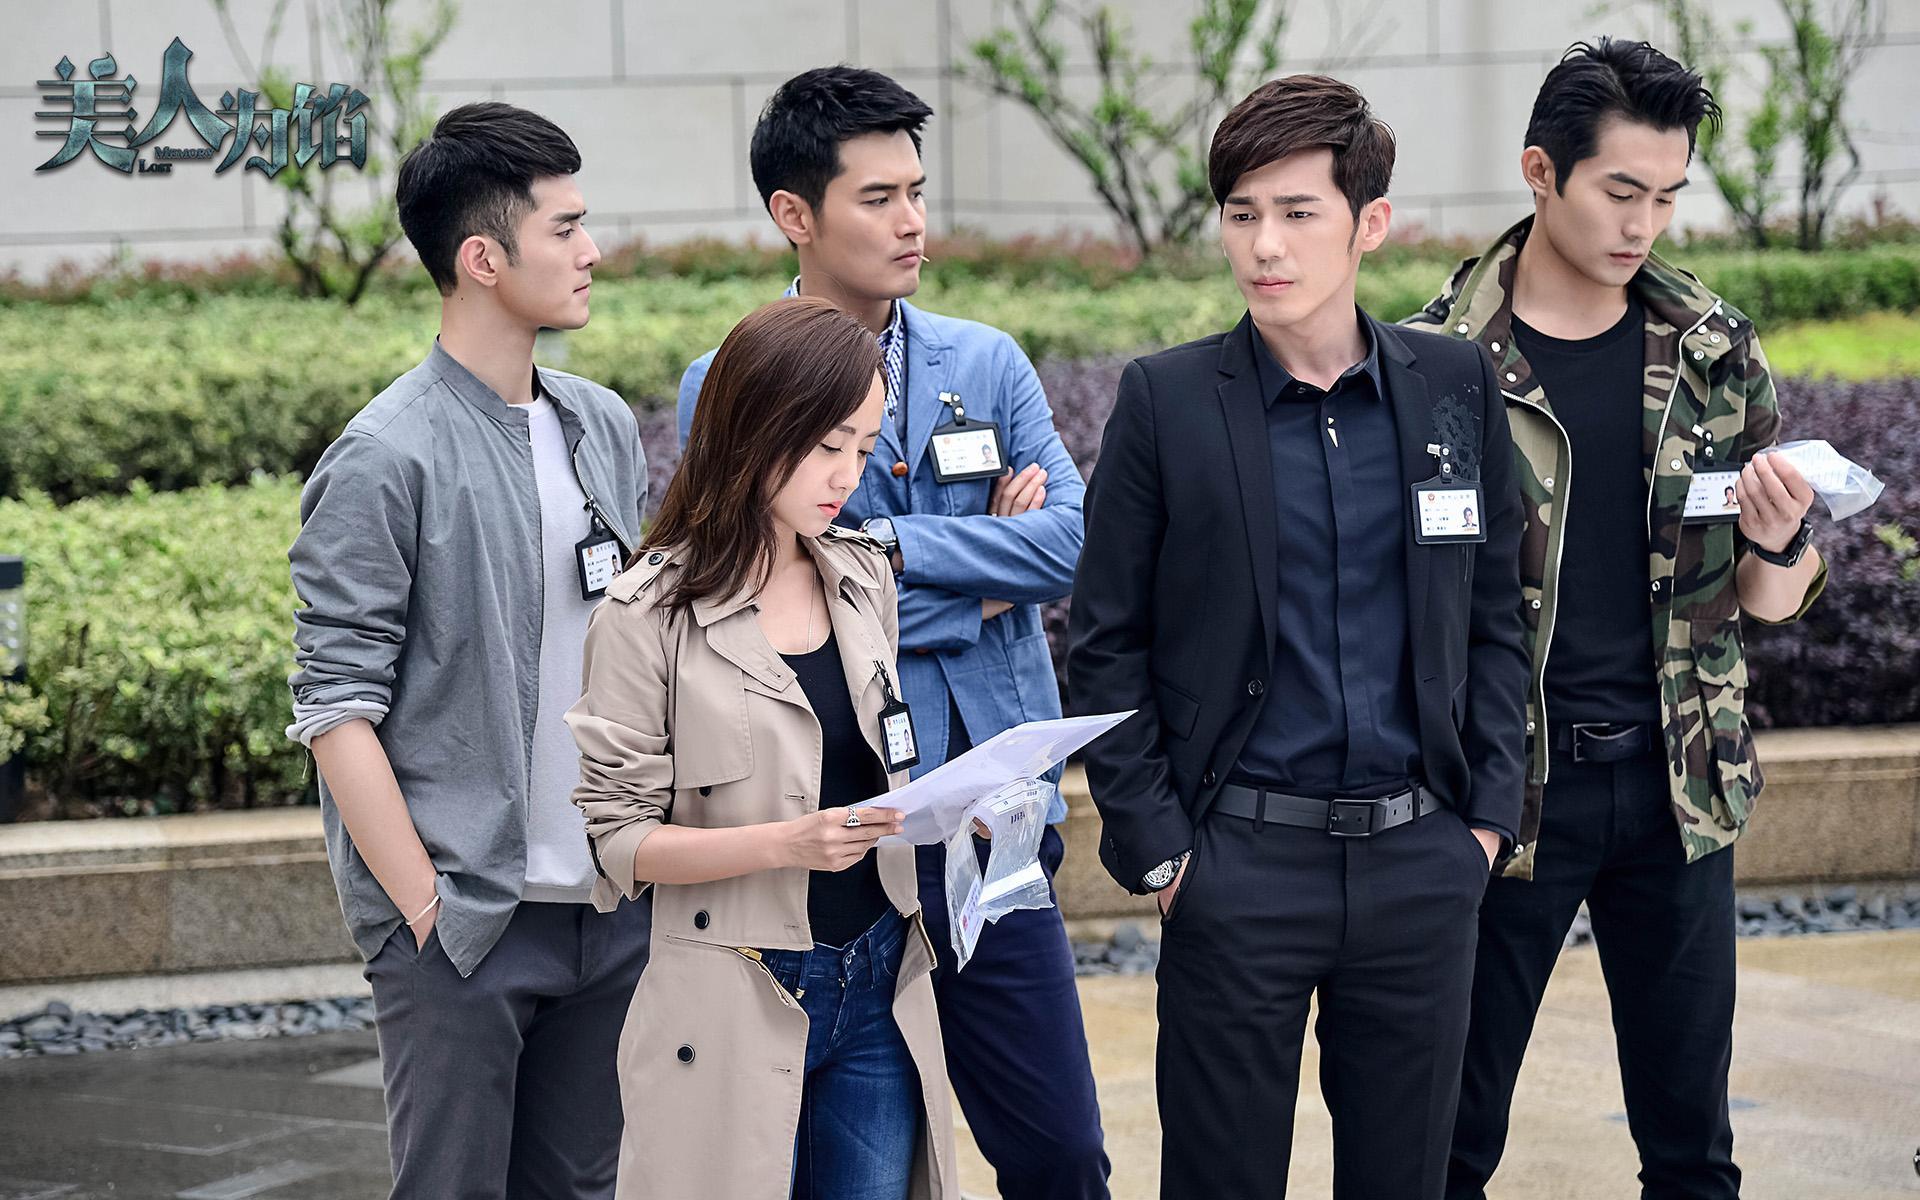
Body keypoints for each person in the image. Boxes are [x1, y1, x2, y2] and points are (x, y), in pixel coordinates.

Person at [1068, 74, 1530, 1200]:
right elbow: (1105, 642)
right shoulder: (1168, 401)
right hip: (1237, 866)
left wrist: (1484, 825)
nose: (1263, 245)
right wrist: (1167, 855)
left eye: (1296, 212)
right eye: (1241, 213)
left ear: (1371, 223)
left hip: (1421, 862)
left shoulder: (1455, 383)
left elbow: (1493, 618)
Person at [677, 66, 1109, 1199]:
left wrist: (889, 548)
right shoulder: (731, 382)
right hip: (837, 837)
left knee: (1062, 1153)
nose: (913, 220)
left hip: (991, 822)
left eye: (916, 191)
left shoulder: (987, 361)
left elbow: (1074, 544)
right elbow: (765, 596)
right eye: (878, 198)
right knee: (847, 1168)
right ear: (795, 213)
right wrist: (986, 575)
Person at [1407, 38, 1826, 1200]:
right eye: (1621, 191)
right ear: (1540, 172)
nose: (1645, 224)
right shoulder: (1435, 359)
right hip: (1503, 797)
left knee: (1692, 1151)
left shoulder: (1711, 350)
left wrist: (1779, 540)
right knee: (1444, 1144)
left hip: (1676, 792)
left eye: (1668, 197)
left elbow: (1768, 601)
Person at [286, 102, 650, 1199]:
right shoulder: (383, 456)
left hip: (603, 906)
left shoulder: (600, 423)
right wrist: (426, 909)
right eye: (565, 229)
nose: (592, 251)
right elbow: (335, 708)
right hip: (466, 923)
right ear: (484, 259)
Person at [569, 296, 960, 1200]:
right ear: (757, 427)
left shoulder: (861, 576)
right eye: (827, 446)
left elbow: (877, 759)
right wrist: (786, 843)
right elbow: (620, 842)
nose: (847, 476)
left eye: (864, 449)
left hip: (880, 977)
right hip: (734, 990)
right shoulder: (645, 616)